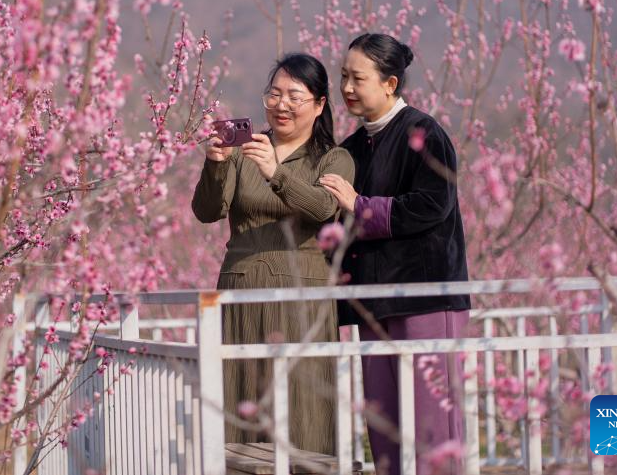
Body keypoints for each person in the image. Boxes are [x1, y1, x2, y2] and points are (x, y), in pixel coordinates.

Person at [319, 33, 471, 475]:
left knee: (431, 431)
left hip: (425, 300)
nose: (346, 87)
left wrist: (359, 206)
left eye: (357, 78)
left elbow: (431, 205)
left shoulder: (424, 133)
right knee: (384, 430)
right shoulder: (350, 149)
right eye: (343, 76)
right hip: (373, 305)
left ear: (390, 83)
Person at [192, 52, 355, 455]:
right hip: (241, 289)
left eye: (294, 96)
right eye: (274, 94)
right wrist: (215, 165)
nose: (281, 105)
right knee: (240, 396)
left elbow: (322, 208)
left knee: (304, 405)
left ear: (319, 105)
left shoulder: (334, 158)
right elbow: (207, 212)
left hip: (303, 296)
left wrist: (276, 174)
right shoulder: (246, 150)